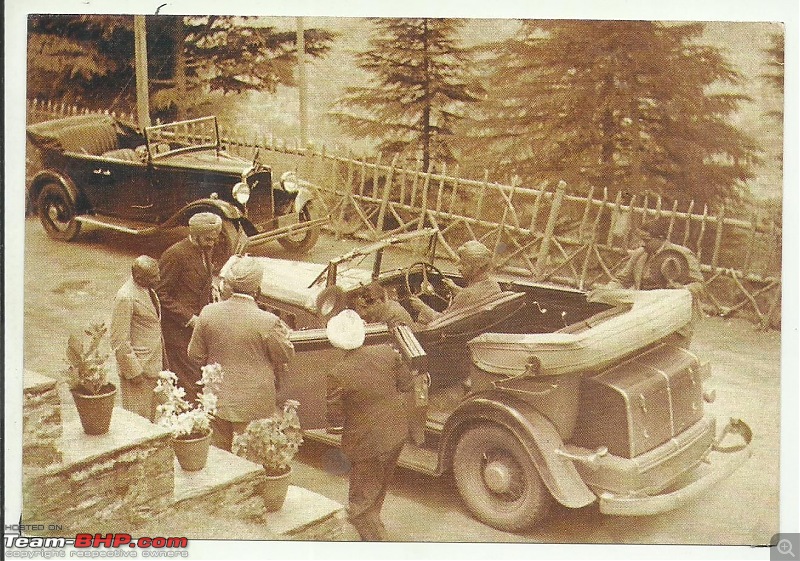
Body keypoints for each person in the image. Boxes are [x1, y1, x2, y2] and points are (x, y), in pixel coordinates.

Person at [188, 255, 295, 451]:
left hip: (217, 399)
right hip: (255, 404)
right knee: (252, 458)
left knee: (219, 460)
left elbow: (194, 354)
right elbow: (285, 355)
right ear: (257, 289)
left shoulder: (209, 313)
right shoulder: (268, 321)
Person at [325, 309, 413, 541]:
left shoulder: (338, 373)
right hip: (396, 432)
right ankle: (375, 520)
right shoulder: (386, 353)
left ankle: (375, 542)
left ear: (337, 343)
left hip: (367, 444)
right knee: (380, 486)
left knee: (360, 501)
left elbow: (335, 417)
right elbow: (405, 384)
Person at [156, 212, 222, 402]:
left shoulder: (205, 249)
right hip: (178, 335)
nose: (213, 243)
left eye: (215, 238)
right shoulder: (174, 255)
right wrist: (189, 318)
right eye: (209, 239)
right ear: (195, 234)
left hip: (197, 331)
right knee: (189, 385)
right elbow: (160, 294)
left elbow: (202, 279)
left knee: (198, 380)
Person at [110, 255, 165, 422]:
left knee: (150, 417)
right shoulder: (126, 297)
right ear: (139, 277)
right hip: (139, 369)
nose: (159, 278)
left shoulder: (147, 289)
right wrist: (134, 372)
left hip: (153, 364)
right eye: (154, 276)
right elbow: (119, 341)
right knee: (137, 420)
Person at [409, 240, 502, 325]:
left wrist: (421, 307)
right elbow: (475, 297)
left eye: (463, 264)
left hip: (441, 333)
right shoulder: (493, 285)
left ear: (477, 268)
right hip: (475, 326)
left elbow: (442, 321)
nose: (459, 268)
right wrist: (455, 288)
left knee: (396, 314)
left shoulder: (466, 295)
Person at [612, 219, 704, 292]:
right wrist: (607, 290)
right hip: (641, 302)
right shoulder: (640, 254)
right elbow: (622, 280)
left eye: (646, 240)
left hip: (668, 305)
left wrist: (682, 289)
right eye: (640, 240)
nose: (642, 244)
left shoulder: (681, 254)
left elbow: (700, 286)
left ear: (660, 238)